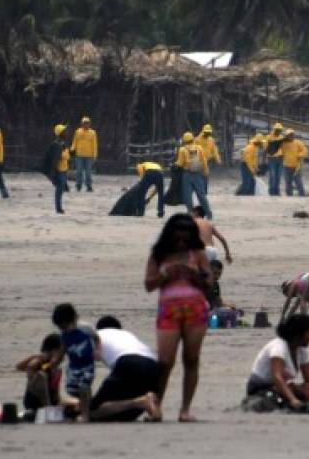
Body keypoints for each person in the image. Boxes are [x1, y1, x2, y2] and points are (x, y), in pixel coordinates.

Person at [144, 213, 212, 422]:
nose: (182, 241)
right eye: (178, 236)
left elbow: (209, 284)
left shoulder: (198, 253)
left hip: (196, 307)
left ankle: (185, 409)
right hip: (169, 310)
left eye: (186, 236)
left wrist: (195, 274)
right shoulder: (159, 254)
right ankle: (156, 406)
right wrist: (164, 275)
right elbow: (148, 284)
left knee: (191, 359)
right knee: (164, 362)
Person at [246, 315, 309, 410]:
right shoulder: (278, 347)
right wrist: (293, 400)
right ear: (298, 334)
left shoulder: (302, 351)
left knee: (307, 389)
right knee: (293, 390)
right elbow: (277, 377)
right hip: (260, 387)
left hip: (280, 385)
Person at [90, 316, 161, 422]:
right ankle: (153, 408)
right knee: (123, 415)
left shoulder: (97, 335)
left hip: (128, 362)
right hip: (153, 366)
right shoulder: (127, 335)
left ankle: (141, 401)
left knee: (92, 411)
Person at [52, 303, 100, 422]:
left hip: (87, 365)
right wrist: (54, 362)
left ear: (75, 318)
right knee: (71, 390)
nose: (64, 329)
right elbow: (62, 350)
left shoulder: (85, 328)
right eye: (61, 328)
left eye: (66, 326)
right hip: (73, 367)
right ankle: (86, 403)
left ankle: (85, 415)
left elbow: (96, 338)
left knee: (84, 387)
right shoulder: (63, 335)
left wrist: (98, 350)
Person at [16, 333, 65, 412]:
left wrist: (60, 404)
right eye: (61, 352)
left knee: (75, 403)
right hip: (36, 402)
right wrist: (39, 358)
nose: (63, 356)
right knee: (41, 375)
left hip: (52, 401)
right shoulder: (40, 361)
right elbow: (21, 367)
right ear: (53, 351)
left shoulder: (57, 370)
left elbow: (57, 394)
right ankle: (47, 408)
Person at [176, 131, 212, 219]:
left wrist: (175, 165)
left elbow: (180, 163)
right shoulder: (199, 148)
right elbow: (203, 161)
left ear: (184, 140)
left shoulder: (182, 150)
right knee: (201, 195)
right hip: (198, 174)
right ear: (192, 139)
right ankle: (209, 213)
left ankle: (190, 213)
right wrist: (206, 171)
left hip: (187, 175)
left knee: (187, 196)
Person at [71, 116, 98, 192]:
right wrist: (71, 151)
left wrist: (95, 155)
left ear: (89, 124)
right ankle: (78, 186)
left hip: (89, 156)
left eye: (87, 123)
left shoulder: (93, 133)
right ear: (82, 124)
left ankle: (89, 186)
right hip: (79, 155)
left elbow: (94, 144)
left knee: (88, 172)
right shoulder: (77, 132)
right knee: (79, 171)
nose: (86, 124)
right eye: (84, 123)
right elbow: (74, 142)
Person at [281, 129, 308, 196]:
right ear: (286, 136)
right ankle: (289, 195)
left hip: (296, 166)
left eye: (292, 134)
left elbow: (305, 150)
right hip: (286, 166)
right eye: (289, 135)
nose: (291, 136)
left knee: (298, 181)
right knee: (288, 182)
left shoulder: (298, 142)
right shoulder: (283, 143)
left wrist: (300, 155)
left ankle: (302, 194)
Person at [194, 124, 221, 193]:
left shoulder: (211, 140)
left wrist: (217, 160)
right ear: (203, 131)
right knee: (200, 176)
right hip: (199, 161)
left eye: (208, 132)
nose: (207, 134)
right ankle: (200, 191)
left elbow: (214, 150)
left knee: (205, 176)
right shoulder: (197, 140)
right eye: (206, 132)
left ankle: (204, 191)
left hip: (207, 161)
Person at [52, 124, 71, 214]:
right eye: (64, 131)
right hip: (59, 170)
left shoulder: (63, 144)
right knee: (59, 190)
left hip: (64, 169)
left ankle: (59, 207)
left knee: (61, 189)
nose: (66, 133)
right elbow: (56, 158)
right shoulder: (57, 145)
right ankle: (58, 208)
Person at [265, 122, 286, 196]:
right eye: (277, 130)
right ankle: (271, 191)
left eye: (279, 130)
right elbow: (266, 148)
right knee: (272, 175)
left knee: (278, 176)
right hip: (272, 159)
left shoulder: (281, 137)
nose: (278, 131)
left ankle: (277, 191)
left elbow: (284, 148)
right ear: (274, 129)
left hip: (280, 158)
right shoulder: (269, 137)